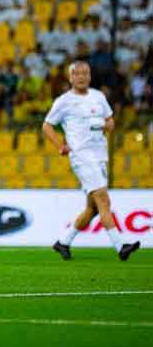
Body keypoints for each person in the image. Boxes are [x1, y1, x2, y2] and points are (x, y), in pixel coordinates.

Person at [43, 60, 140, 261]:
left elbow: (110, 119)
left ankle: (63, 242)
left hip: (100, 156)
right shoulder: (64, 101)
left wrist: (108, 125)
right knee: (103, 200)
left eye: (85, 73)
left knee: (93, 208)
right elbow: (47, 126)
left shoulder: (98, 96)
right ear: (70, 77)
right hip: (82, 156)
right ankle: (121, 246)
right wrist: (61, 146)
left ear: (89, 76)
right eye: (77, 73)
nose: (81, 77)